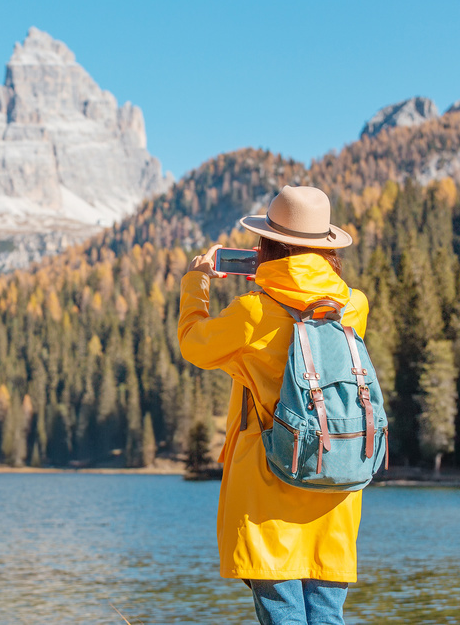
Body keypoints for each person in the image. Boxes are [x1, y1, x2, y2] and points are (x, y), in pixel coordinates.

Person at [177, 186, 368, 625]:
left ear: (266, 248)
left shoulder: (251, 315)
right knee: (327, 613)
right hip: (332, 477)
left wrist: (197, 283)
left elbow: (194, 344)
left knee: (281, 614)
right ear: (326, 249)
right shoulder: (354, 307)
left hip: (267, 482)